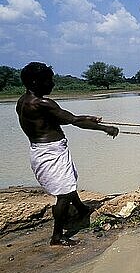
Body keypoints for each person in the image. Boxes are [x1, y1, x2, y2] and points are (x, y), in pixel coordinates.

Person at [16, 62, 119, 246]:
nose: (52, 84)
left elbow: (58, 120)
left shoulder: (23, 102)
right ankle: (57, 236)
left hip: (41, 150)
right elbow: (72, 120)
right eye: (48, 80)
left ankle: (80, 208)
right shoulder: (43, 103)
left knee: (68, 181)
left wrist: (85, 118)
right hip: (50, 152)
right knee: (64, 193)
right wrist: (105, 128)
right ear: (34, 82)